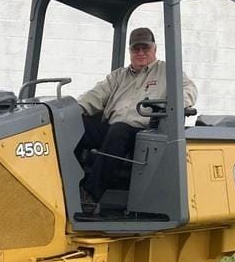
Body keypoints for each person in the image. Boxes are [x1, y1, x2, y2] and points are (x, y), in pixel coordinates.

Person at [76, 27, 197, 205]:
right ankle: (69, 185)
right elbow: (95, 95)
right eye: (136, 49)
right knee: (74, 126)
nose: (140, 52)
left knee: (119, 130)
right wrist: (71, 111)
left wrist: (173, 104)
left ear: (154, 49)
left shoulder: (168, 72)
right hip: (113, 129)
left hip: (145, 133)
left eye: (145, 48)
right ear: (130, 51)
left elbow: (189, 90)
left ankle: (91, 194)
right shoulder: (118, 76)